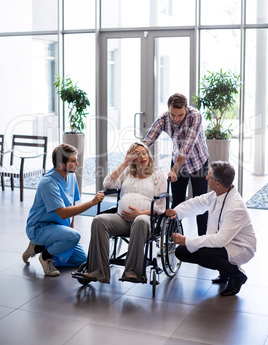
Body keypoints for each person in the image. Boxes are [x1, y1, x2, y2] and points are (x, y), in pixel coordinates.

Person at [166, 161, 257, 296]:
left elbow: (219, 240)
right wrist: (176, 211)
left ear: (218, 184)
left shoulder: (235, 207)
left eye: (209, 176)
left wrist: (187, 240)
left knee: (206, 254)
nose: (206, 178)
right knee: (181, 252)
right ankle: (225, 272)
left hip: (241, 247)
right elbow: (198, 203)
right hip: (225, 242)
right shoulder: (218, 194)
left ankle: (237, 276)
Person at [81, 142, 167, 283]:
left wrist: (140, 213)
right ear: (131, 158)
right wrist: (124, 163)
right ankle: (97, 271)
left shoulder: (157, 176)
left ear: (149, 155)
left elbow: (160, 207)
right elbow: (107, 184)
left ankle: (132, 271)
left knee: (140, 221)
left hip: (145, 220)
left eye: (144, 153)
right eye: (137, 154)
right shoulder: (127, 172)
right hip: (122, 219)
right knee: (99, 220)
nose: (142, 157)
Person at [22, 143, 105, 277]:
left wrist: (70, 229)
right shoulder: (48, 183)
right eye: (73, 161)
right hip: (39, 228)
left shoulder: (71, 176)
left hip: (58, 228)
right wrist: (92, 202)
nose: (77, 164)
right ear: (61, 164)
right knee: (74, 236)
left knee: (82, 260)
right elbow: (63, 212)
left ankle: (37, 247)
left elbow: (72, 203)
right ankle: (45, 256)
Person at [143, 93, 209, 235]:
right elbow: (147, 140)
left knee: (201, 203)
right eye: (173, 115)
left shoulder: (195, 116)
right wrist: (134, 155)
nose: (176, 119)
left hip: (199, 162)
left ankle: (204, 242)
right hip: (178, 161)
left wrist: (174, 170)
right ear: (169, 110)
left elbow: (186, 148)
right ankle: (171, 239)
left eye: (180, 115)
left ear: (186, 109)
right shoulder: (163, 118)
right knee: (177, 202)